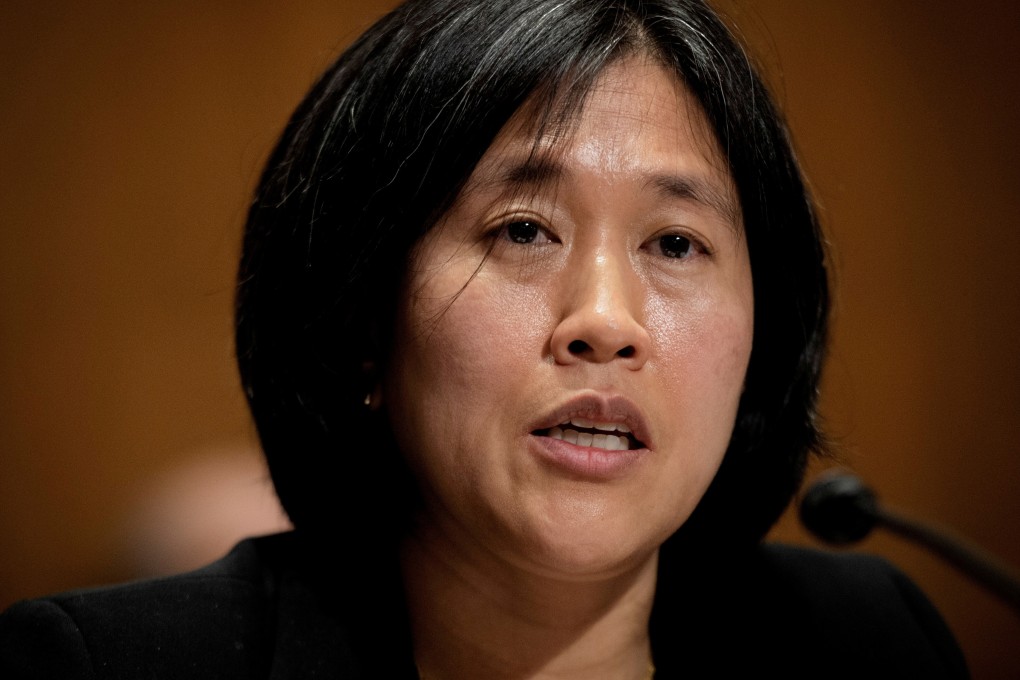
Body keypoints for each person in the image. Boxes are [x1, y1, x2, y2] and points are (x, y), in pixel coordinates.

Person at [0, 0, 968, 677]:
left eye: (676, 242)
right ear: (361, 319)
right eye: (522, 231)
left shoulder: (866, 638)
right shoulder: (105, 664)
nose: (604, 319)